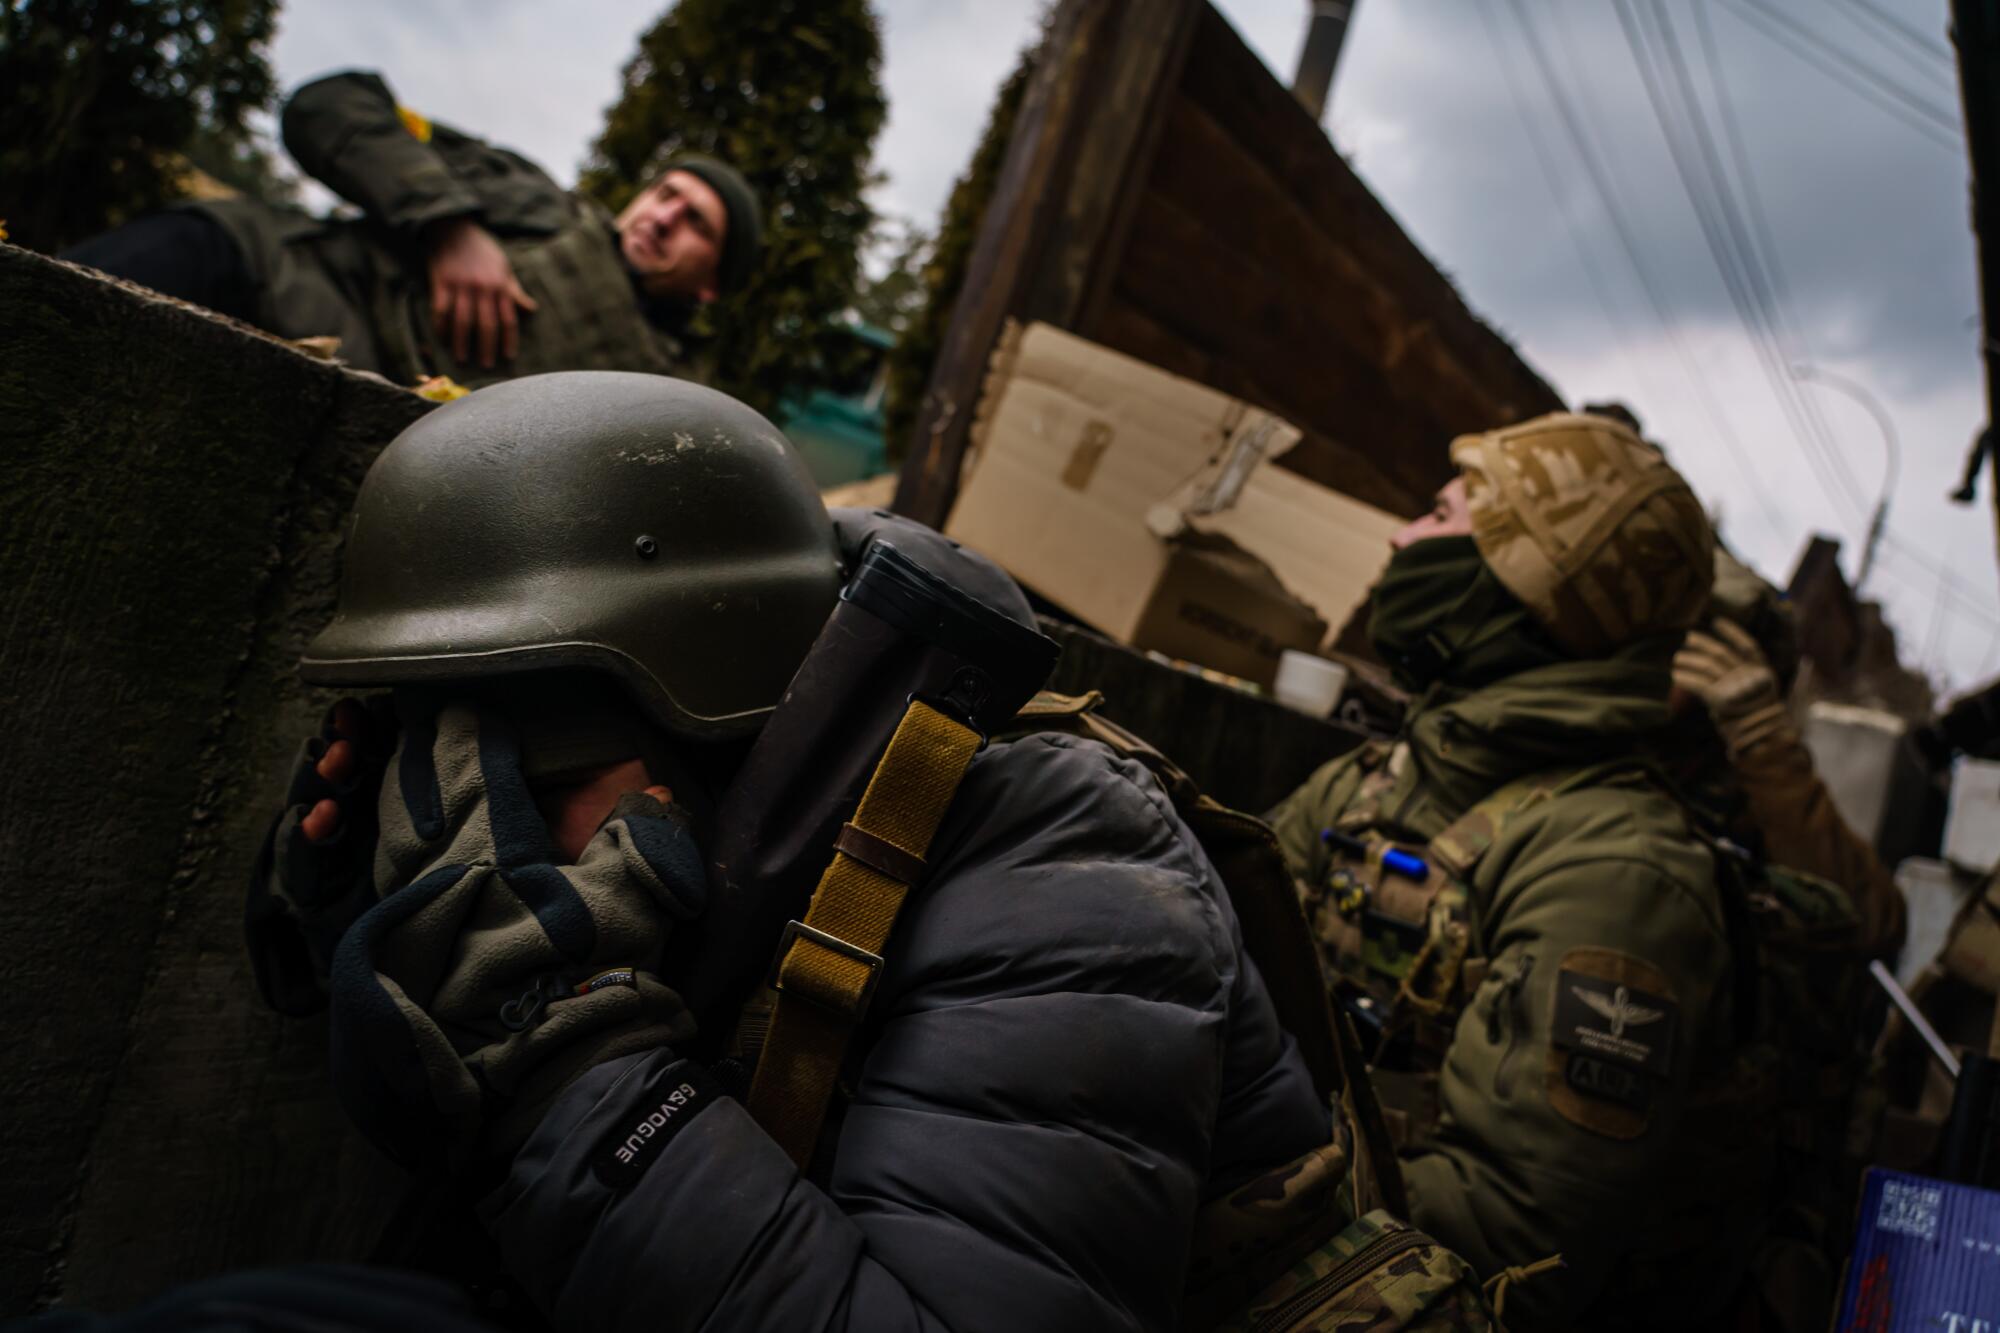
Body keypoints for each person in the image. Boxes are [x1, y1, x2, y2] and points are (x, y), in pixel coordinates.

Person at [245, 370, 1332, 1332]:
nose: (497, 825)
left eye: (532, 775)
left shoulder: (1067, 869)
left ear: (704, 709)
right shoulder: (745, 835)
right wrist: (362, 924)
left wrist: (553, 1053)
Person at [1265, 412, 1771, 1330]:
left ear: (1529, 585)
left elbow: (1514, 1246)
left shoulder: (1619, 874)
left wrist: (1224, 1156)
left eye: (1441, 514)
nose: (1400, 536)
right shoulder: (1383, 775)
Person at [61, 71, 761, 385]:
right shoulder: (532, 195)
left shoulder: (678, 396)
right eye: (666, 192)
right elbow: (333, 104)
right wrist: (450, 225)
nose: (663, 216)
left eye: (695, 221)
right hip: (269, 284)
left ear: (711, 289)